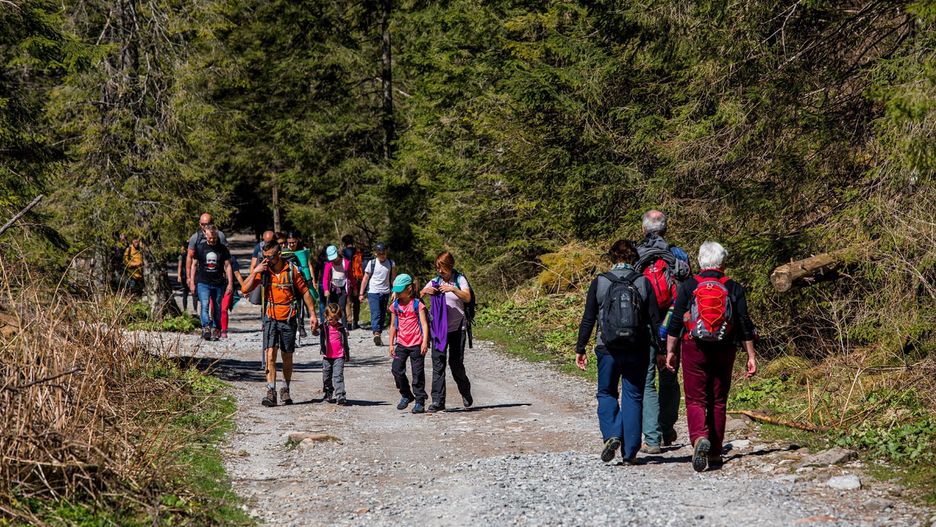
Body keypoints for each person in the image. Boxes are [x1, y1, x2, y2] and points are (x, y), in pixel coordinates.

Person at [665, 241, 757, 472]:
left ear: (700, 261)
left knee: (695, 399)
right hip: (725, 348)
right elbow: (744, 324)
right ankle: (715, 452)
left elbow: (676, 321)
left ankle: (699, 438)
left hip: (693, 346)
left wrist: (670, 351)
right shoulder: (733, 287)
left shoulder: (688, 285)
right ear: (723, 263)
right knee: (718, 400)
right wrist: (751, 355)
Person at [575, 240, 661, 465]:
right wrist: (661, 349)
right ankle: (630, 452)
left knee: (606, 393)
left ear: (612, 258)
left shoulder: (600, 282)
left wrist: (580, 347)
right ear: (634, 258)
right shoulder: (643, 282)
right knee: (633, 395)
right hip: (637, 348)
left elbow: (589, 318)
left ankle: (612, 435)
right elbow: (654, 320)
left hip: (607, 348)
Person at [635, 210, 691, 454]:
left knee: (646, 380)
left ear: (643, 229)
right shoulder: (678, 254)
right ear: (665, 229)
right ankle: (667, 428)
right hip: (671, 323)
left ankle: (653, 438)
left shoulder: (635, 254)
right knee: (669, 374)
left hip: (644, 323)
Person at [241, 239, 319, 407]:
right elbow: (244, 289)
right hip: (270, 317)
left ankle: (285, 388)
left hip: (289, 317)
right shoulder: (264, 270)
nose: (267, 259)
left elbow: (305, 292)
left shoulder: (292, 270)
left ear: (279, 254)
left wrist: (312, 314)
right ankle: (271, 391)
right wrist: (255, 271)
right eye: (264, 256)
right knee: (270, 354)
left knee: (286, 355)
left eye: (270, 256)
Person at [421, 251, 474, 413]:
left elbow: (467, 297)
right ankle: (437, 401)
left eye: (442, 268)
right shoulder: (435, 281)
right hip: (438, 329)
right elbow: (418, 296)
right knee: (438, 363)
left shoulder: (459, 279)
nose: (439, 271)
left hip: (458, 328)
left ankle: (465, 391)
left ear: (449, 266)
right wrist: (425, 292)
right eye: (437, 268)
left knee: (455, 363)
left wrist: (452, 289)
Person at [388, 274, 429, 414]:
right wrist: (391, 344)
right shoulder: (395, 306)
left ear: (409, 289)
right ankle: (406, 394)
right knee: (396, 369)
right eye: (396, 291)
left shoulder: (418, 304)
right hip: (401, 344)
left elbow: (424, 324)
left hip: (416, 344)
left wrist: (425, 342)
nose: (398, 293)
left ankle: (419, 401)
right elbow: (393, 326)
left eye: (400, 290)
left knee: (417, 374)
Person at [190, 226, 233, 341]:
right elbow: (194, 265)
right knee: (204, 305)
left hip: (218, 283)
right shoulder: (199, 248)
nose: (212, 240)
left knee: (217, 306)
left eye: (214, 238)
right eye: (210, 238)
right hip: (203, 282)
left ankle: (216, 328)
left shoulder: (222, 249)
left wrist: (230, 284)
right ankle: (206, 328)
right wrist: (191, 282)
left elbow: (228, 266)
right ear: (205, 235)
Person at [359, 243, 396, 347]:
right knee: (376, 313)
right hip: (373, 292)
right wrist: (361, 293)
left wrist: (395, 291)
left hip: (385, 292)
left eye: (383, 253)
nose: (382, 255)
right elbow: (365, 278)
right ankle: (376, 333)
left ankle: (378, 333)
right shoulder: (372, 263)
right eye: (380, 254)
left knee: (383, 314)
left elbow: (393, 278)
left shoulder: (391, 263)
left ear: (386, 252)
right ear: (376, 253)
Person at [320, 303, 351, 405]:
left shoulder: (341, 328)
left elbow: (345, 342)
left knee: (338, 376)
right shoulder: (324, 327)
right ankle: (328, 392)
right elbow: (316, 332)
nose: (331, 320)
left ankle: (340, 395)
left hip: (339, 356)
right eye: (329, 318)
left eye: (334, 318)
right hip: (327, 356)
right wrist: (314, 328)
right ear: (326, 316)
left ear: (338, 318)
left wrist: (347, 354)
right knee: (326, 376)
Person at [322, 245, 354, 327]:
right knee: (332, 308)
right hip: (332, 288)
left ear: (338, 253)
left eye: (334, 257)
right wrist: (326, 290)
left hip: (343, 288)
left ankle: (343, 327)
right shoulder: (328, 264)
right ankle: (331, 326)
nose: (333, 260)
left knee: (341, 308)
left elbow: (351, 276)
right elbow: (325, 278)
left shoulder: (346, 263)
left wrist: (355, 287)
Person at [341, 234, 364, 330]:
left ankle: (349, 322)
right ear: (352, 242)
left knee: (348, 301)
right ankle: (356, 322)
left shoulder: (342, 253)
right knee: (356, 301)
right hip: (357, 278)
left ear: (344, 243)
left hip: (346, 278)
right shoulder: (358, 253)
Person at [176, 243, 195, 313]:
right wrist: (179, 276)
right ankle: (193, 309)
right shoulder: (192, 255)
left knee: (186, 293)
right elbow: (180, 266)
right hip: (189, 275)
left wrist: (179, 276)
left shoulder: (182, 256)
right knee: (192, 293)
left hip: (185, 275)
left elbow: (179, 266)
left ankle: (185, 309)